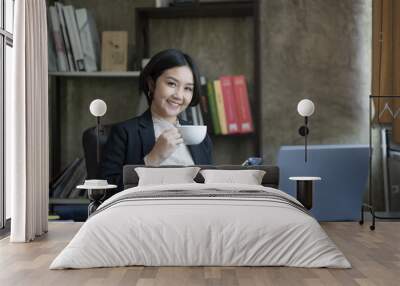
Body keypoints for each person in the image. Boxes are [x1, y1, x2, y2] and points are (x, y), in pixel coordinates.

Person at [101, 49, 213, 195]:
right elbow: (104, 192)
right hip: (144, 214)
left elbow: (210, 188)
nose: (179, 95)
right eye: (172, 84)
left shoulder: (200, 137)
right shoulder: (125, 133)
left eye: (187, 88)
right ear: (152, 84)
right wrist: (153, 158)